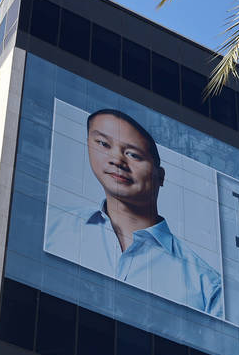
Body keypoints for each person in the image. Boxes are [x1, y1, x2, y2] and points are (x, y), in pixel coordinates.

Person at [45, 108, 223, 317]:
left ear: (161, 176)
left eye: (133, 154)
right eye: (103, 144)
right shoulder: (53, 225)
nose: (116, 160)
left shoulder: (206, 285)